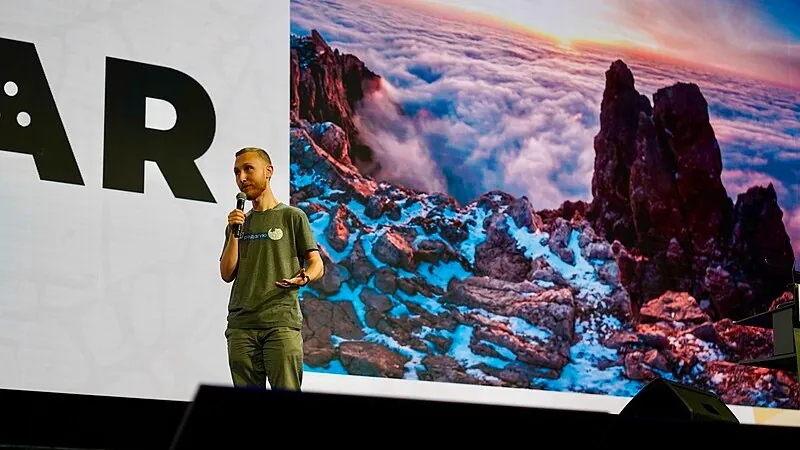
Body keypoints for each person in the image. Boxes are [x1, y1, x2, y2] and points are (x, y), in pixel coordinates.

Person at [219, 147, 323, 391]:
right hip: (241, 327)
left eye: (248, 169)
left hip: (280, 324)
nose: (241, 178)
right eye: (236, 172)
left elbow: (316, 262)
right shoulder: (238, 223)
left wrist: (305, 277)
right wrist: (235, 232)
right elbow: (226, 273)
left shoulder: (292, 216)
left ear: (268, 172)